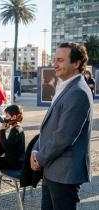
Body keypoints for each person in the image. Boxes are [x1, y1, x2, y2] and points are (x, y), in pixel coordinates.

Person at [31, 43, 93, 210]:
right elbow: (49, 127)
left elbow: (63, 136)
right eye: (54, 59)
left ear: (76, 63)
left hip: (65, 174)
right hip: (52, 169)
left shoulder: (78, 92)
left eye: (60, 60)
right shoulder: (65, 86)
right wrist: (35, 150)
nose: (54, 64)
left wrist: (39, 158)